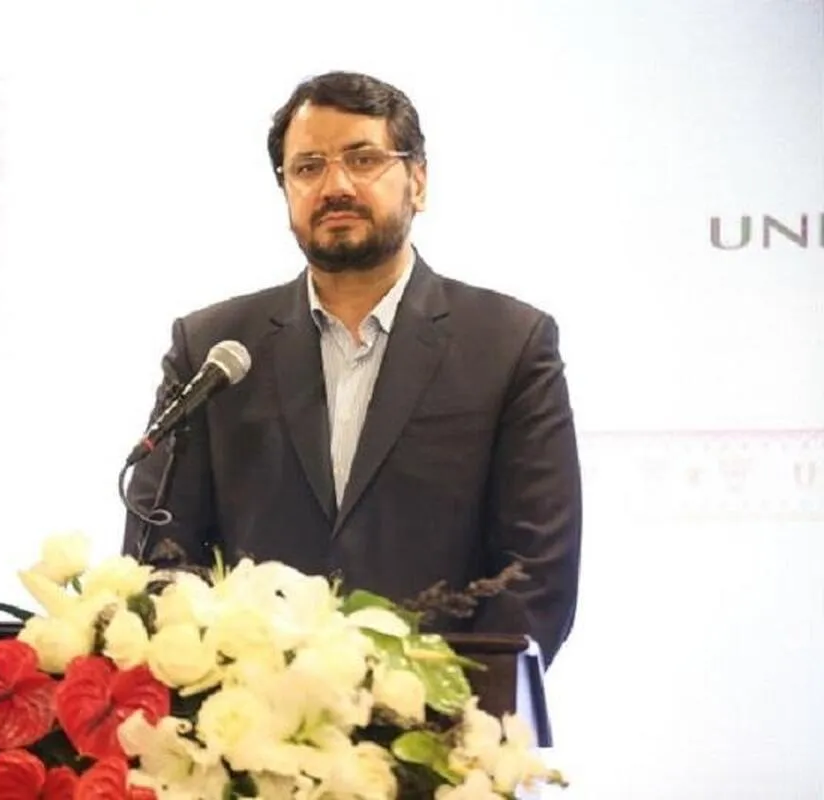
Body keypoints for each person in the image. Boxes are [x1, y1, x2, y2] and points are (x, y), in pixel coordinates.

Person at [121, 70, 581, 667]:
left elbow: (537, 574)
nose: (335, 185)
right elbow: (162, 553)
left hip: (437, 711)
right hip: (245, 710)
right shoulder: (214, 348)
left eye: (363, 160)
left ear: (418, 181)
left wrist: (439, 704)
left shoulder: (508, 344)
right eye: (308, 167)